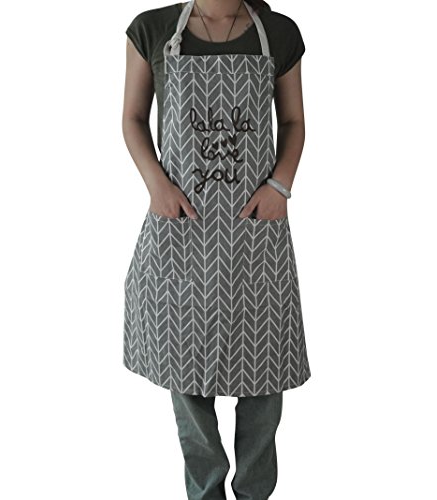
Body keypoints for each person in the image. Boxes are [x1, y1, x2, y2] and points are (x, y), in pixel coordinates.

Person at [122, 1, 311, 498]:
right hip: (182, 230)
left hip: (256, 234)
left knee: (265, 375)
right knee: (186, 373)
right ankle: (205, 492)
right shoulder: (153, 30)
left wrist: (280, 186)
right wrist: (157, 186)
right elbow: (133, 118)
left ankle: (254, 492)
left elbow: (293, 121)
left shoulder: (278, 32)